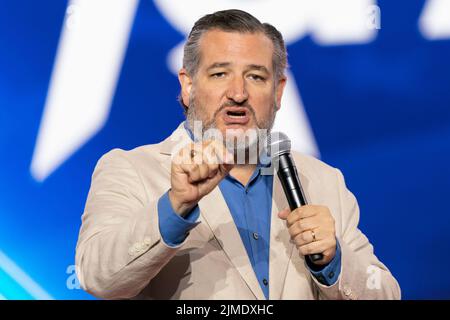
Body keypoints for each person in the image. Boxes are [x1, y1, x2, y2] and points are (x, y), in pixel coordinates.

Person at [75, 9, 400, 300]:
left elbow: (383, 293)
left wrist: (333, 260)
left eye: (256, 77)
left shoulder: (324, 181)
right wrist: (175, 205)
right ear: (188, 86)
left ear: (278, 91)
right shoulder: (131, 169)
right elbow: (98, 277)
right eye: (219, 74)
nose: (238, 93)